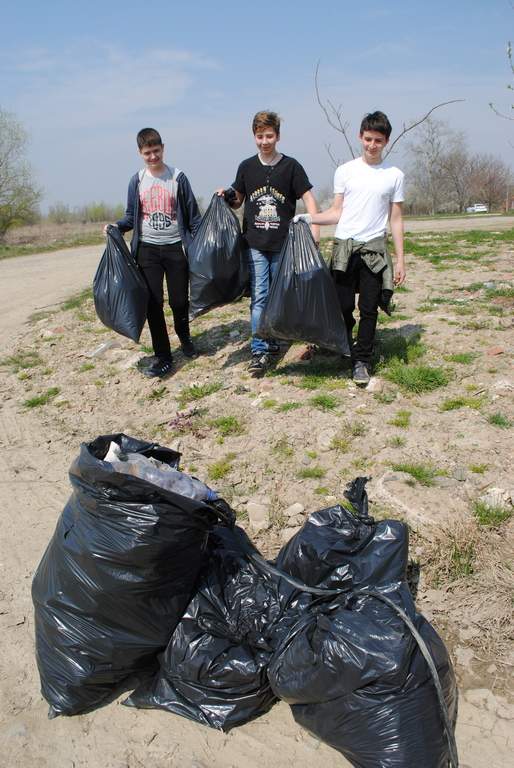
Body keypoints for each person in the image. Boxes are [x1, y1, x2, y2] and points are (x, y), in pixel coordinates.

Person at [295, 111, 405, 386]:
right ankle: (343, 342)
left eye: (378, 140)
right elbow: (335, 213)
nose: (372, 145)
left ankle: (362, 361)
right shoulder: (345, 171)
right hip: (344, 249)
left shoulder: (394, 175)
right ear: (360, 137)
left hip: (374, 252)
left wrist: (401, 260)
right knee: (342, 305)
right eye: (368, 139)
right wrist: (308, 217)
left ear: (386, 141)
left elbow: (396, 218)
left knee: (369, 308)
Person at [217, 110, 320, 376]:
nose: (265, 141)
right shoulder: (246, 167)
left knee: (278, 295)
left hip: (283, 243)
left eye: (269, 136)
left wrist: (314, 229)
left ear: (278, 136)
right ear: (254, 137)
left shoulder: (291, 167)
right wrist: (226, 196)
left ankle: (273, 338)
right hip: (255, 243)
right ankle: (259, 351)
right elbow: (239, 199)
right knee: (260, 296)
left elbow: (309, 198)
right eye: (260, 136)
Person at [106, 127, 202, 379]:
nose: (152, 157)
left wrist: (207, 240)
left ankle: (184, 336)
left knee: (179, 301)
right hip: (147, 250)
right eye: (147, 153)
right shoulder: (136, 181)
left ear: (163, 148)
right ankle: (163, 356)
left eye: (156, 151)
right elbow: (130, 216)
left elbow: (193, 218)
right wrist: (115, 226)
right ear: (140, 153)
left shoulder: (178, 178)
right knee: (152, 304)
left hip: (175, 248)